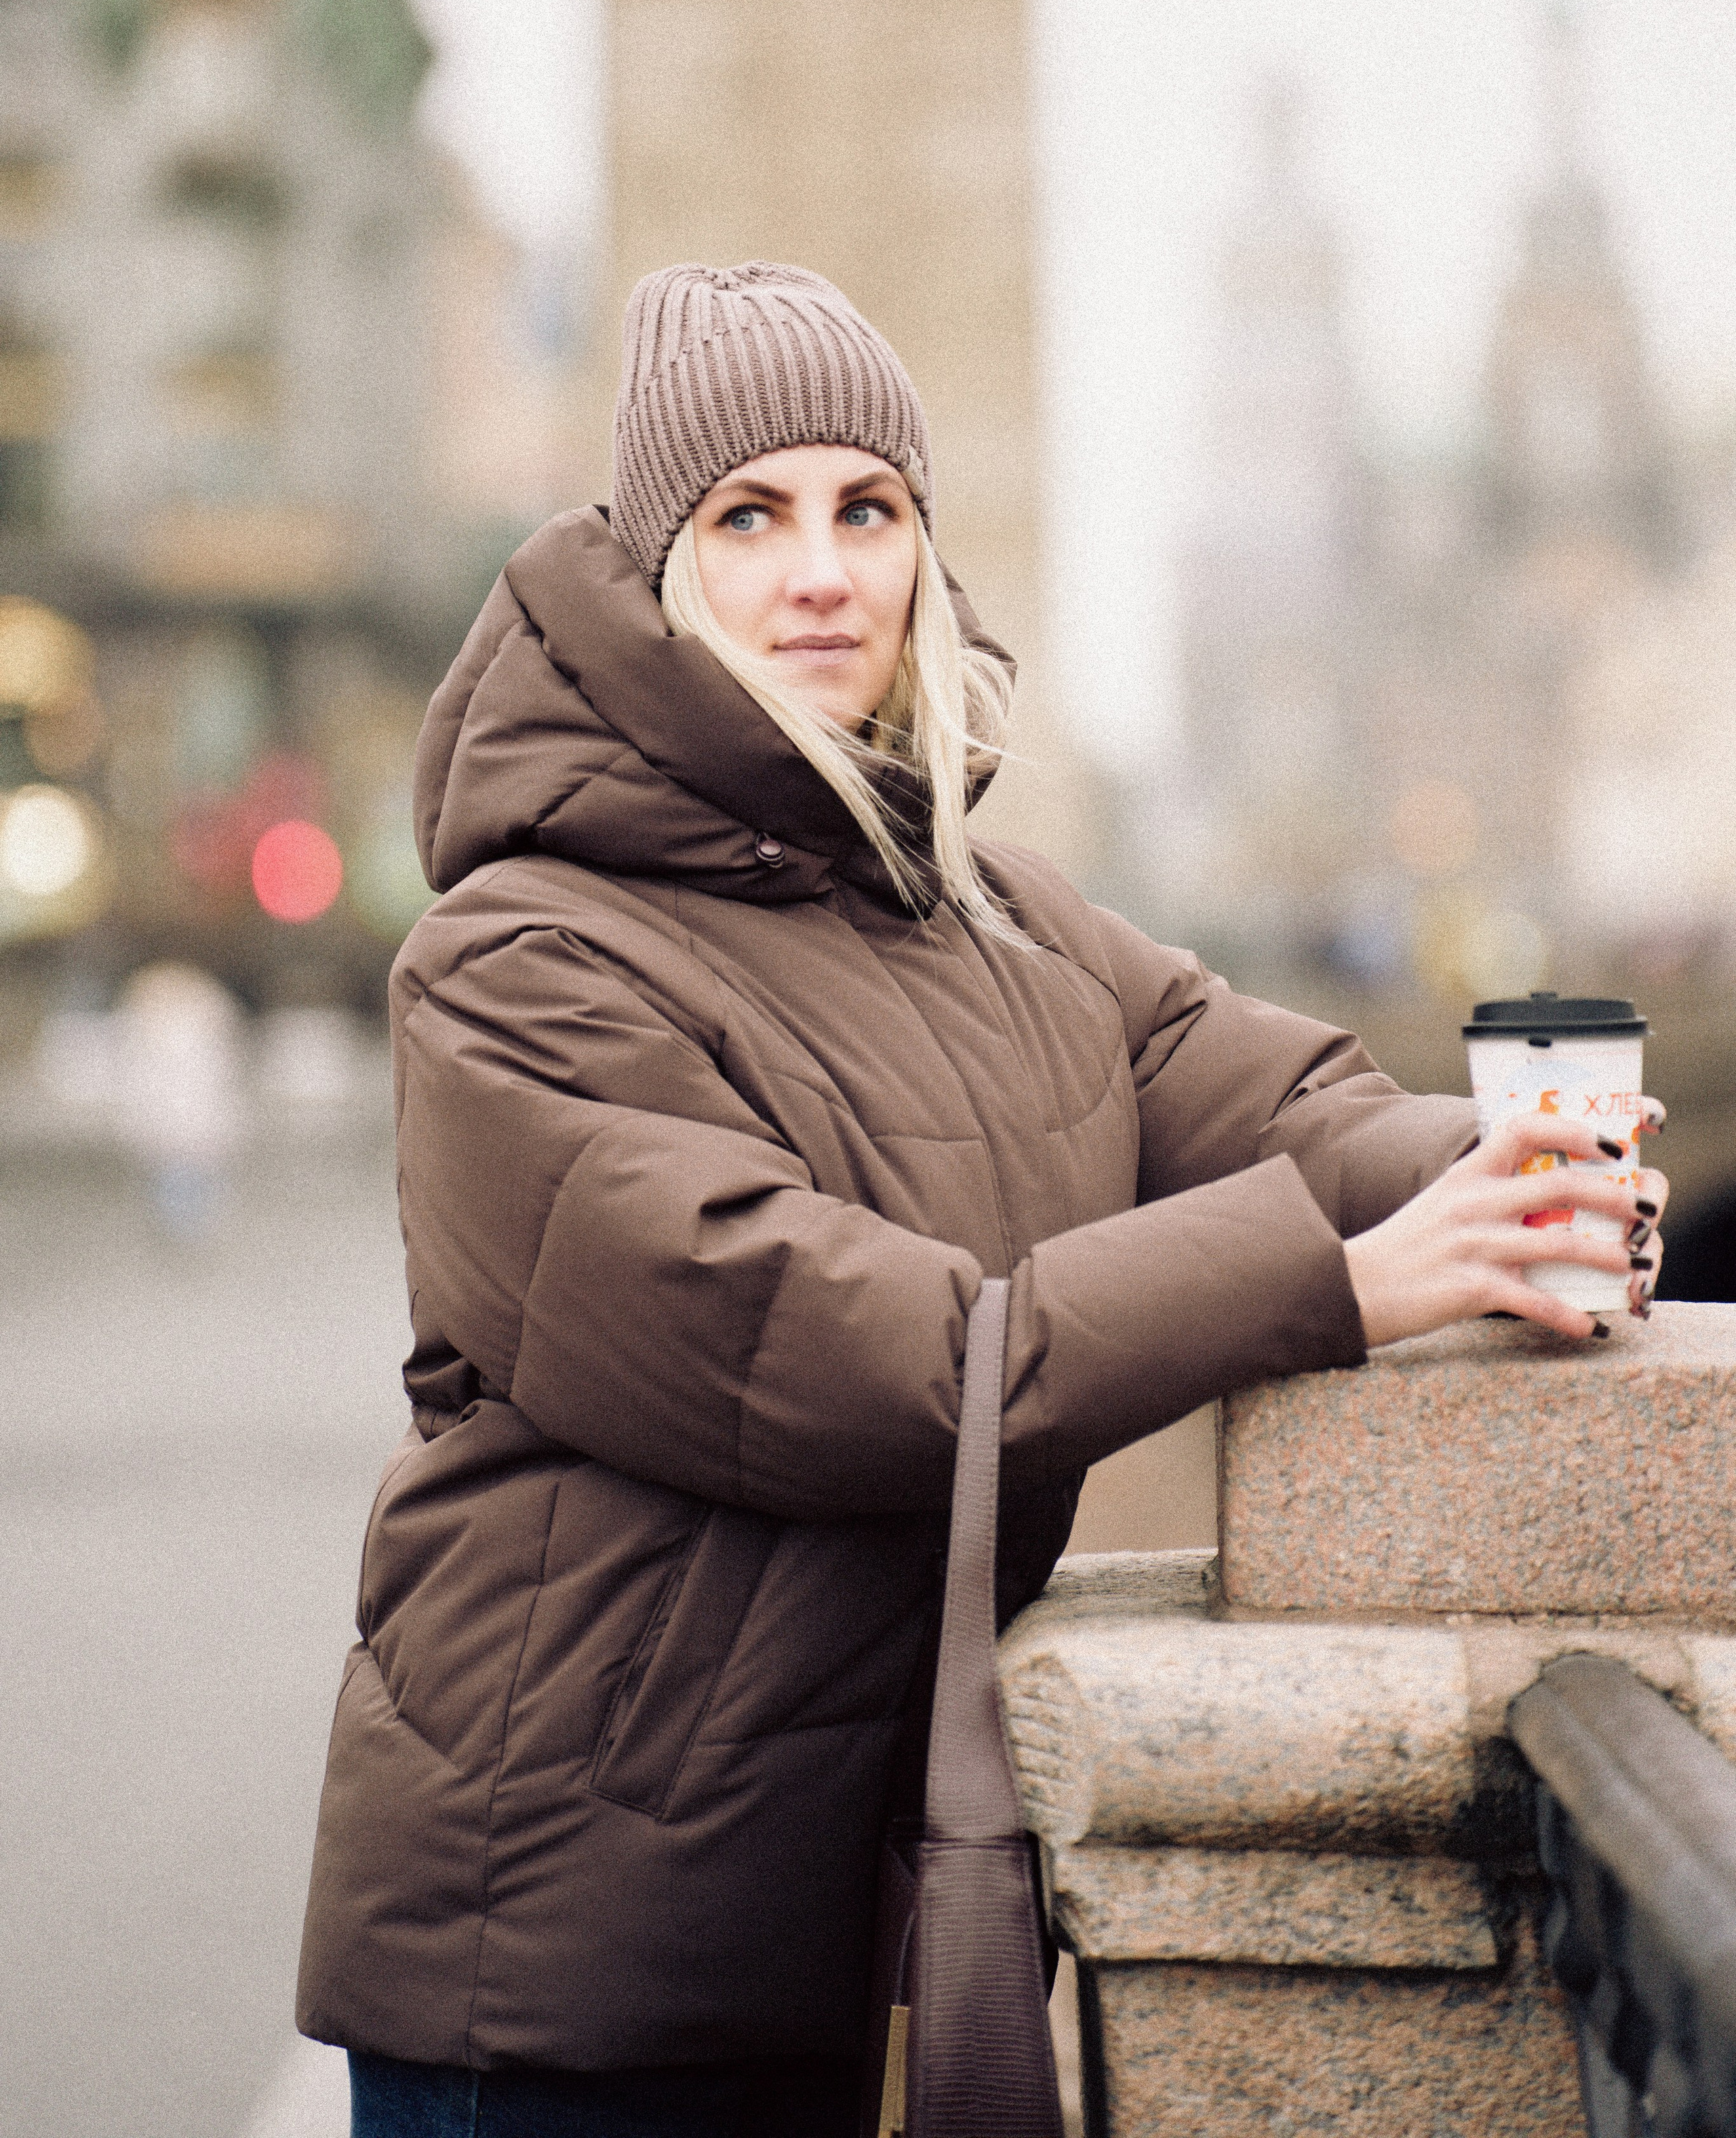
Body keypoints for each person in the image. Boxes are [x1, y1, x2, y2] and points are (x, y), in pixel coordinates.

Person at [297, 262, 1665, 2138]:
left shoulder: (998, 916)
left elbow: (1283, 1099)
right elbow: (853, 1356)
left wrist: (1520, 1169)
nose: (823, 572)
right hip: (562, 1949)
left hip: (828, 1894)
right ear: (655, 565)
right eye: (750, 517)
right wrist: (1341, 1285)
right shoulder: (517, 960)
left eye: (870, 511)